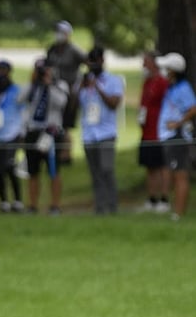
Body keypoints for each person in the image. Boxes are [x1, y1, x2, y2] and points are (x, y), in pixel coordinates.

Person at [79, 46, 125, 215]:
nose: (93, 65)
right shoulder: (84, 82)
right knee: (95, 173)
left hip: (106, 133)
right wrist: (80, 86)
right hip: (89, 134)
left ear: (102, 61)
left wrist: (97, 86)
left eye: (96, 60)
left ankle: (112, 206)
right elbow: (73, 106)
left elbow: (114, 104)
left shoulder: (113, 81)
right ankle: (99, 207)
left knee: (107, 170)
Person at [19, 59, 69, 215]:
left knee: (53, 170)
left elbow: (61, 103)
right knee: (32, 171)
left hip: (51, 132)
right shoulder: (32, 87)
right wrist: (34, 81)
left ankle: (55, 205)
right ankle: (33, 205)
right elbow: (20, 99)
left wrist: (49, 85)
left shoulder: (60, 86)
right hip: (33, 131)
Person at [155, 52, 196, 221]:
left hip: (177, 137)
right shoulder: (172, 88)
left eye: (166, 68)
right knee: (173, 174)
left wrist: (178, 123)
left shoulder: (183, 88)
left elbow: (193, 108)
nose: (163, 70)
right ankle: (175, 210)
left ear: (173, 70)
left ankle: (178, 214)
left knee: (180, 175)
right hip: (169, 137)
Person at [0, 60, 25, 213]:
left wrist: (21, 133)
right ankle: (3, 202)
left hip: (12, 133)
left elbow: (22, 112)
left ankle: (17, 200)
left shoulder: (16, 91)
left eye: (2, 70)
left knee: (10, 167)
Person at [45, 20, 87, 165]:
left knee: (66, 124)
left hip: (70, 92)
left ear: (68, 34)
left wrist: (80, 85)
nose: (58, 35)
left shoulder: (74, 50)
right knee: (54, 122)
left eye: (62, 32)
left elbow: (88, 63)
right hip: (54, 91)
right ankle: (53, 151)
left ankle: (66, 155)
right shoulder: (52, 49)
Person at [136, 51, 170, 213]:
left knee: (162, 164)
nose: (143, 65)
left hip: (159, 130)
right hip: (146, 129)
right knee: (150, 165)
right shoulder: (147, 82)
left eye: (146, 62)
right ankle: (152, 198)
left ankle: (164, 198)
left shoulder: (163, 83)